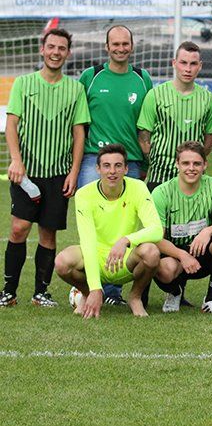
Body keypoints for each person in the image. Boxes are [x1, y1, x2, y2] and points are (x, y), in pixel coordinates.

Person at [1, 28, 89, 308]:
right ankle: (8, 292)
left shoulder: (75, 89)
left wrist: (74, 172)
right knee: (19, 228)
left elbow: (78, 133)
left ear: (68, 53)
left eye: (61, 48)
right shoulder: (23, 83)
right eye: (51, 47)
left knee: (48, 233)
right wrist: (16, 160)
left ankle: (41, 292)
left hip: (58, 174)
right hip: (26, 173)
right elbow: (11, 125)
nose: (55, 52)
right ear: (42, 49)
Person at [77, 24, 154, 306]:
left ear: (132, 46)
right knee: (94, 226)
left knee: (124, 226)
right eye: (115, 44)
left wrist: (145, 162)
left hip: (130, 161)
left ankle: (112, 291)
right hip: (94, 160)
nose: (121, 48)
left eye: (125, 44)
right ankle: (90, 286)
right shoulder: (91, 77)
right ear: (107, 47)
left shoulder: (143, 78)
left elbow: (146, 125)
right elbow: (78, 121)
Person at [54, 144, 163, 318]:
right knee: (62, 261)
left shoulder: (138, 187)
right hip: (97, 258)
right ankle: (87, 294)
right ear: (98, 169)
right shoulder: (84, 194)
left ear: (126, 169)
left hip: (126, 259)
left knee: (151, 252)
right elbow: (88, 241)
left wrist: (125, 240)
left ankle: (135, 297)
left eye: (118, 165)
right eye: (106, 166)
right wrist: (95, 288)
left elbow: (156, 230)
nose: (112, 171)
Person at [151, 141, 212, 316]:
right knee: (164, 268)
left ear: (205, 165)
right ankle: (175, 292)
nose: (191, 168)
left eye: (197, 163)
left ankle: (211, 299)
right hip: (174, 255)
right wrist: (182, 255)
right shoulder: (161, 192)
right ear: (177, 164)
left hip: (203, 252)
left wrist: (207, 231)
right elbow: (156, 238)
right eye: (186, 163)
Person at [137, 41, 212, 191]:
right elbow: (144, 136)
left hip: (193, 179)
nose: (188, 69)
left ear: (200, 66)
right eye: (183, 63)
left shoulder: (209, 100)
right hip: (159, 177)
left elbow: (209, 141)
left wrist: (193, 161)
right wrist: (156, 159)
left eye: (193, 64)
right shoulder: (155, 95)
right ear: (174, 63)